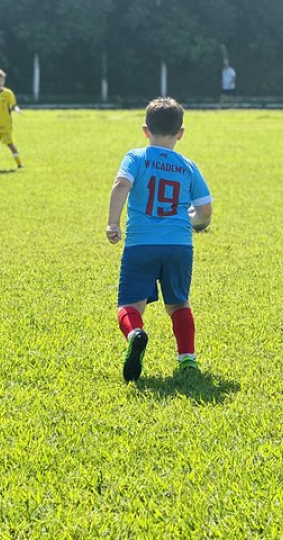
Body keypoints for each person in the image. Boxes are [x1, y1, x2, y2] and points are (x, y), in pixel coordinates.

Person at [106, 97, 213, 382]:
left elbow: (121, 185)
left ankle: (135, 334)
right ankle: (187, 359)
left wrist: (112, 223)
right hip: (179, 245)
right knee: (179, 303)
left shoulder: (136, 157)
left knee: (130, 305)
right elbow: (205, 212)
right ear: (180, 133)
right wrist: (188, 221)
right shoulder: (188, 165)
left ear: (146, 130)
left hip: (141, 244)